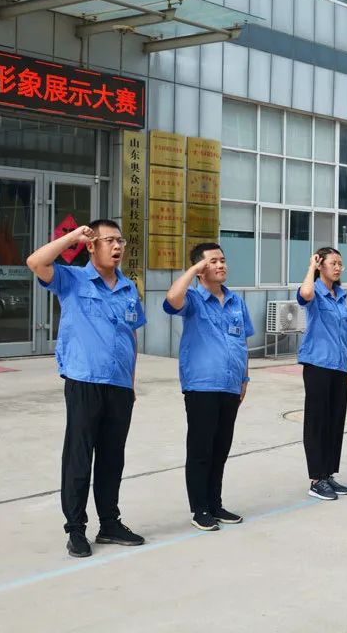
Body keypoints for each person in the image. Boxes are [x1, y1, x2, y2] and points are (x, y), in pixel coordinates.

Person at [26, 220, 146, 558]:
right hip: (84, 381)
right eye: (109, 240)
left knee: (112, 457)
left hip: (119, 385)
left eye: (120, 241)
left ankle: (109, 523)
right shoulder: (73, 279)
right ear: (92, 246)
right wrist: (73, 238)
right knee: (79, 457)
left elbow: (131, 336)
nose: (117, 246)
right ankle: (76, 529)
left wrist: (131, 382)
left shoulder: (128, 288)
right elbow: (35, 262)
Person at [163, 242, 254, 531]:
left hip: (230, 385)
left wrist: (244, 378)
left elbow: (242, 342)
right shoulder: (192, 298)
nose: (221, 265)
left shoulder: (236, 301)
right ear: (200, 268)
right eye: (213, 261)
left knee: (220, 448)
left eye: (222, 260)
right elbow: (171, 299)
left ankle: (215, 504)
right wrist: (193, 271)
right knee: (201, 449)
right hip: (202, 385)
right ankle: (199, 508)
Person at [296, 247, 347, 501]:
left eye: (340, 263)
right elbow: (305, 294)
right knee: (317, 422)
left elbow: (343, 335)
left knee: (335, 421)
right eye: (333, 263)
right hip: (318, 364)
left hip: (338, 366)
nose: (338, 268)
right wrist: (311, 267)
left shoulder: (340, 296)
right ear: (320, 265)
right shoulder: (315, 291)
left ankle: (328, 473)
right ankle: (316, 479)